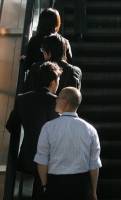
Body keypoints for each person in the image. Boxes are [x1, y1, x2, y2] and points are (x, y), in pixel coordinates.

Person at [6, 62, 62, 199]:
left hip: (27, 157)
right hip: (52, 159)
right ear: (53, 81)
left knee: (25, 194)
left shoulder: (22, 99)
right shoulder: (57, 102)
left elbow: (10, 125)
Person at [34, 87, 102, 200]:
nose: (56, 100)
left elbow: (42, 160)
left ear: (65, 101)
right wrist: (93, 191)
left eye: (59, 97)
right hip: (81, 184)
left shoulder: (48, 127)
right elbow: (94, 164)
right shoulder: (90, 130)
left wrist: (45, 185)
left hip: (55, 183)